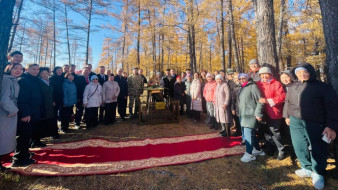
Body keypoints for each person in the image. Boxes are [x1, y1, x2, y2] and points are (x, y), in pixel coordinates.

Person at [283, 63, 338, 190]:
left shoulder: (323, 87)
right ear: (295, 74)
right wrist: (286, 116)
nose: (302, 75)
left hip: (316, 122)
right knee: (299, 145)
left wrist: (331, 126)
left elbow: (332, 107)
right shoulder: (293, 86)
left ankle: (318, 172)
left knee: (317, 147)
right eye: (299, 73)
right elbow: (287, 102)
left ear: (311, 72)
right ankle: (306, 167)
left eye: (305, 72)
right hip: (295, 121)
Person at [12, 64, 42, 167]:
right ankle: (18, 159)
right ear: (27, 69)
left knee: (27, 134)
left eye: (37, 69)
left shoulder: (34, 80)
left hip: (32, 112)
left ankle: (24, 154)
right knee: (23, 136)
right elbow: (22, 98)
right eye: (33, 69)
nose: (35, 71)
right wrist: (25, 113)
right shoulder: (24, 80)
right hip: (26, 113)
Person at [256, 67, 286, 160]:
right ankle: (270, 148)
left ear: (270, 75)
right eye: (262, 74)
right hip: (263, 112)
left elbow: (282, 97)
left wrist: (268, 101)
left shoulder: (276, 84)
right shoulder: (258, 84)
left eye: (266, 74)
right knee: (267, 132)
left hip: (274, 112)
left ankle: (281, 150)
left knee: (275, 132)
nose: (264, 76)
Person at [0, 63, 23, 171]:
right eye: (15, 68)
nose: (18, 70)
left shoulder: (13, 80)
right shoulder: (6, 80)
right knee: (2, 136)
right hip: (5, 113)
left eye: (21, 69)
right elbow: (4, 99)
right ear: (9, 68)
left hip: (10, 111)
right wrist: (14, 110)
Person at [237, 73, 265, 162]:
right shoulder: (242, 87)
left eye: (243, 78)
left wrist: (258, 114)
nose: (242, 80)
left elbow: (260, 101)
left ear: (247, 78)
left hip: (251, 114)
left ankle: (249, 154)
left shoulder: (252, 86)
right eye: (240, 79)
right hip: (243, 114)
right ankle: (257, 150)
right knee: (251, 134)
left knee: (247, 134)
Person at [34, 67, 56, 145]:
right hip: (42, 105)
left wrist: (52, 101)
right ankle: (36, 140)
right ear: (39, 74)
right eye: (42, 73)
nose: (44, 75)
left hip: (48, 104)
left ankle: (39, 139)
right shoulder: (38, 82)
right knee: (40, 123)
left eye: (46, 73)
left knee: (45, 121)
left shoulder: (47, 82)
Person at [49, 66, 64, 135]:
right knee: (54, 116)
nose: (60, 71)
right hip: (55, 99)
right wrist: (53, 100)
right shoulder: (52, 78)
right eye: (58, 70)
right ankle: (54, 132)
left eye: (61, 70)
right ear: (55, 71)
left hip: (62, 99)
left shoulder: (62, 78)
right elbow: (51, 91)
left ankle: (61, 128)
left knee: (61, 114)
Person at [231, 72, 242, 137]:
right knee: (237, 121)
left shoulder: (244, 86)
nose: (237, 79)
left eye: (238, 78)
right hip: (236, 107)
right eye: (235, 78)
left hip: (242, 108)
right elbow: (233, 99)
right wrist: (232, 108)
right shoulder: (235, 87)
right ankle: (238, 132)